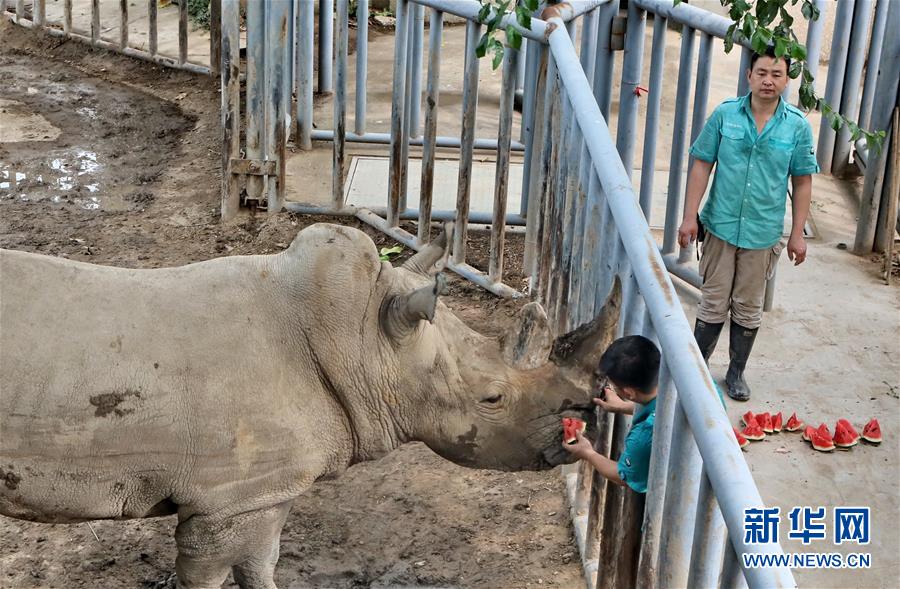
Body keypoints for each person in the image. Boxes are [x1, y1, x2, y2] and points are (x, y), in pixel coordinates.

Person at [677, 45, 819, 402]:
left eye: (777, 74)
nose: (768, 81)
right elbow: (701, 164)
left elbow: (802, 180)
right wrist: (689, 216)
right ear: (749, 76)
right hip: (721, 225)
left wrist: (797, 235)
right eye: (762, 73)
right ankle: (698, 368)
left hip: (762, 232)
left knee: (747, 305)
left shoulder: (797, 127)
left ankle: (736, 372)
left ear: (787, 80)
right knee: (712, 300)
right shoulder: (726, 116)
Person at [562, 335, 660, 494]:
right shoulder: (686, 377)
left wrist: (588, 453)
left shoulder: (643, 436)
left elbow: (623, 476)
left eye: (614, 386)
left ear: (629, 392)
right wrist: (623, 406)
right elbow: (663, 409)